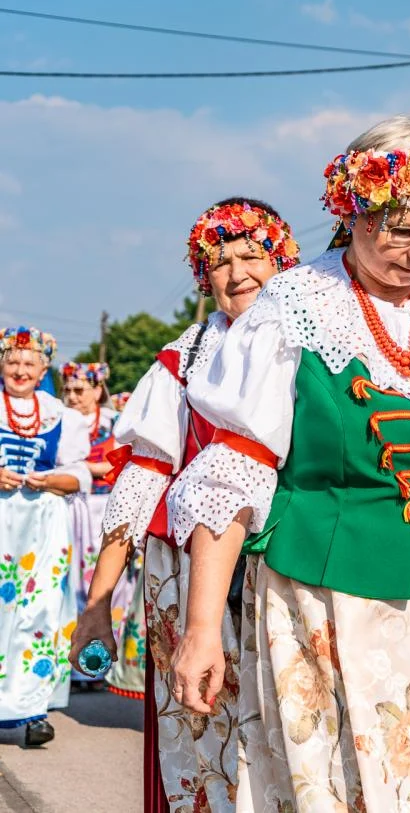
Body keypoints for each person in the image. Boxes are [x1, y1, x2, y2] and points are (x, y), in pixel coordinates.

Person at [168, 115, 410, 811]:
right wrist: (202, 630)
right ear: (352, 211)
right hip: (337, 604)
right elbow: (234, 472)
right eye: (402, 230)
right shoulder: (293, 306)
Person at [68, 197, 300, 810]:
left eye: (252, 255)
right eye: (220, 262)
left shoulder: (309, 339)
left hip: (291, 572)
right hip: (188, 574)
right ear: (204, 277)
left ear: (282, 260)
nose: (237, 273)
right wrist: (97, 607)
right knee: (204, 745)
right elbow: (140, 482)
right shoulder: (187, 355)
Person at [0, 326, 90, 747]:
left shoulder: (62, 416)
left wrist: (53, 480)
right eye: (13, 362)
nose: (20, 370)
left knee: (40, 610)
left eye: (29, 363)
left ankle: (33, 709)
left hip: (43, 525)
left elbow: (80, 474)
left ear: (42, 371)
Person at [60, 362, 126, 685]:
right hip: (76, 506)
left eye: (79, 390)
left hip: (108, 506)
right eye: (68, 390)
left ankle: (105, 662)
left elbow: (121, 461)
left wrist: (81, 467)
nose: (72, 397)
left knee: (109, 586)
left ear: (98, 390)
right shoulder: (60, 419)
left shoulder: (114, 422)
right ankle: (75, 664)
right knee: (73, 580)